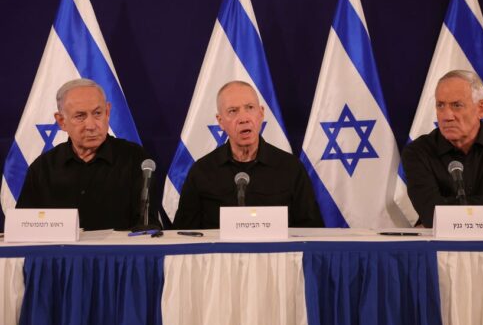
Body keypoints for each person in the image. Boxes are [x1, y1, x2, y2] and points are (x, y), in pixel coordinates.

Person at [173, 80, 324, 229]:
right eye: (233, 111)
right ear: (220, 121)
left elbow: (312, 231)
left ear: (261, 113)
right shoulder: (202, 171)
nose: (244, 118)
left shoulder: (291, 168)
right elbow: (183, 235)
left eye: (250, 108)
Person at [16, 78, 159, 230]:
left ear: (107, 112)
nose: (91, 126)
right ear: (61, 121)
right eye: (80, 116)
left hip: (118, 253)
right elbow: (24, 227)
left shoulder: (135, 159)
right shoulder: (43, 168)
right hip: (60, 254)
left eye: (97, 113)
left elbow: (146, 225)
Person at [402, 69, 483, 228]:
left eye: (457, 105)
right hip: (444, 250)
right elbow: (432, 215)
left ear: (481, 109)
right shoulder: (418, 152)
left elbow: (441, 214)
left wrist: (449, 207)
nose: (446, 116)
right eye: (440, 105)